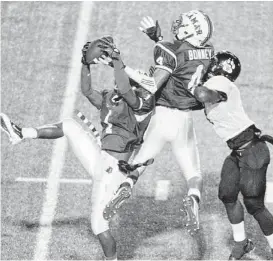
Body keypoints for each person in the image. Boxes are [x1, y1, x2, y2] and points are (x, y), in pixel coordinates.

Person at [1, 40, 154, 260]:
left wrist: (118, 60)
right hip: (101, 160)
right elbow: (86, 90)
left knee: (98, 224)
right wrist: (85, 64)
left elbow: (127, 88)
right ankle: (21, 133)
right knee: (69, 125)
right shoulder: (113, 97)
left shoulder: (142, 103)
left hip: (114, 167)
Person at [100, 10, 215, 235]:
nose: (178, 24)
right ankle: (193, 198)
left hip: (161, 116)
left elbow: (153, 83)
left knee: (138, 164)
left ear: (190, 30)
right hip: (184, 120)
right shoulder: (207, 52)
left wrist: (121, 67)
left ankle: (125, 187)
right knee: (194, 174)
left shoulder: (170, 51)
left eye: (184, 23)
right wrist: (158, 38)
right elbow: (183, 61)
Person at [193, 50, 273, 260]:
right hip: (238, 152)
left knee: (254, 204)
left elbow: (201, 95)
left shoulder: (220, 82)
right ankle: (242, 243)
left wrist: (194, 83)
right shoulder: (217, 84)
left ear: (217, 68)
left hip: (253, 151)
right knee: (227, 195)